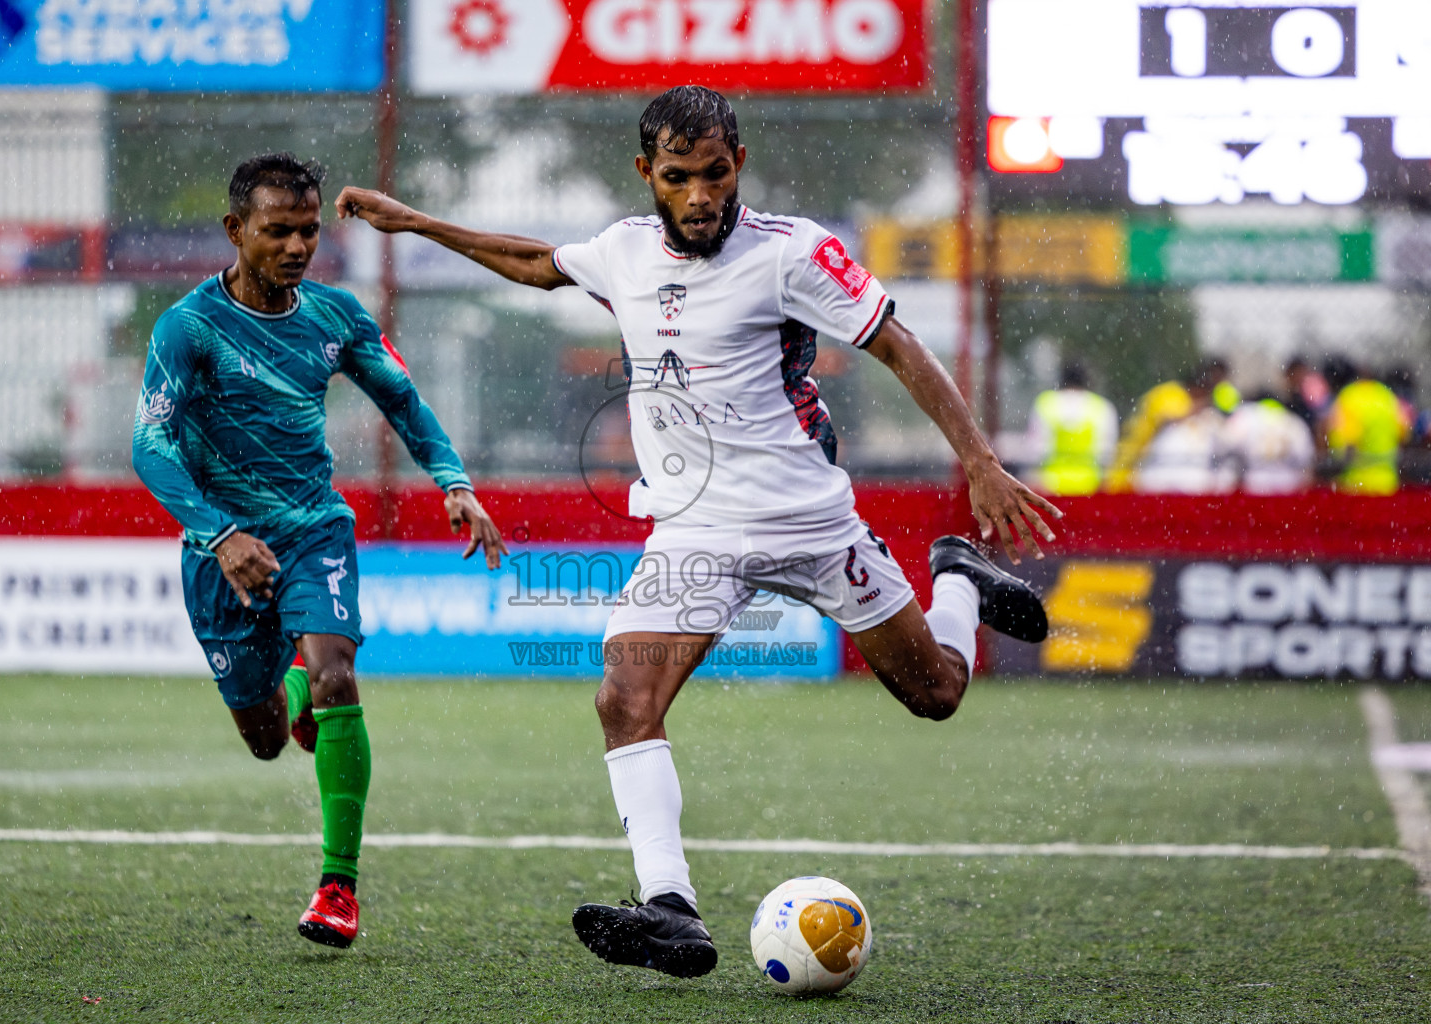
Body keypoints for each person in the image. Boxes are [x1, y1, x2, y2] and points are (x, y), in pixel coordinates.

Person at [335, 86, 1061, 977]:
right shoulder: (623, 252)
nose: (701, 195)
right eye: (679, 177)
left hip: (809, 520)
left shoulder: (796, 252)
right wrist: (414, 222)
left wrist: (979, 462)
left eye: (716, 173)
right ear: (649, 174)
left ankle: (957, 578)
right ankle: (671, 907)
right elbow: (531, 260)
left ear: (738, 164)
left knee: (938, 693)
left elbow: (901, 346)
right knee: (622, 698)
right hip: (694, 530)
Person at [131, 153, 505, 949]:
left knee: (339, 670)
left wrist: (454, 481)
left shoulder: (335, 317)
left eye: (307, 230)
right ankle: (291, 693)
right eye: (278, 231)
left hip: (311, 530)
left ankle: (338, 886)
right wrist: (221, 534)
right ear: (237, 230)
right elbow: (151, 446)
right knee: (267, 738)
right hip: (217, 551)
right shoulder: (188, 329)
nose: (298, 246)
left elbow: (403, 398)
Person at [1106, 356, 1235, 492]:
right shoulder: (1170, 395)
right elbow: (1164, 418)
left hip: (1184, 482)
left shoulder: (1205, 410)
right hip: (1145, 472)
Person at [1024, 361, 1118, 495]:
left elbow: (1035, 452)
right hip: (1090, 487)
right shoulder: (1101, 407)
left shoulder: (1045, 404)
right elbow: (1106, 454)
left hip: (1051, 486)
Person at [1320, 356, 1410, 495]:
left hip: (1357, 484)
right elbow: (1404, 434)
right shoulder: (1387, 396)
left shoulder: (1349, 397)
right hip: (1387, 482)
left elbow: (1345, 443)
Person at [1215, 393, 1315, 494]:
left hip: (1256, 483)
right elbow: (1305, 458)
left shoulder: (1246, 418)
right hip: (1287, 484)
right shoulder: (1295, 423)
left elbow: (1226, 447)